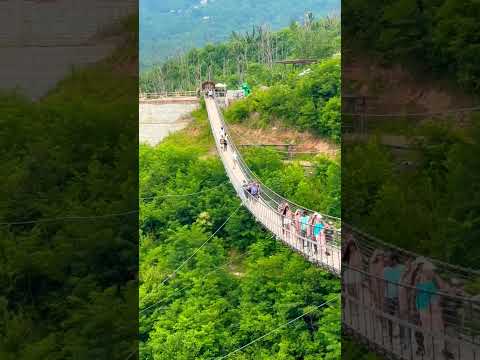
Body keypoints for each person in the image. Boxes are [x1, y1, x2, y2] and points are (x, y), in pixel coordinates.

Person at [413, 258, 450, 358]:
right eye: (431, 270)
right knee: (429, 333)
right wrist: (416, 307)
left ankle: (437, 353)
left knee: (435, 332)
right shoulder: (419, 278)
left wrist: (436, 276)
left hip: (432, 309)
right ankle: (431, 354)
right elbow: (416, 294)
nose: (433, 272)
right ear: (426, 271)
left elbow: (444, 288)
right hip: (425, 309)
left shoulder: (431, 279)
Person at [383, 252, 406, 345]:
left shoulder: (402, 268)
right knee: (389, 318)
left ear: (394, 260)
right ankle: (390, 337)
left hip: (399, 297)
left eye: (389, 260)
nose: (387, 262)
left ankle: (402, 338)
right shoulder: (385, 270)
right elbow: (385, 284)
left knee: (401, 318)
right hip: (389, 297)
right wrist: (384, 298)